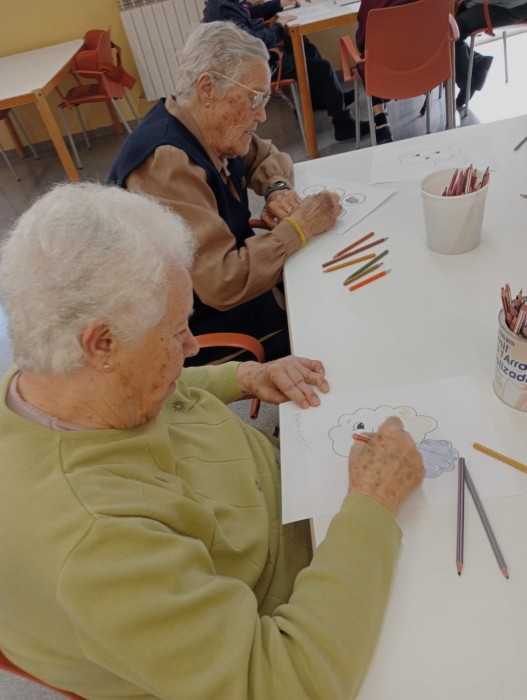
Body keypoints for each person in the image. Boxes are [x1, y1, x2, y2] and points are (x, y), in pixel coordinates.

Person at [0, 182, 425, 700]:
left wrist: (244, 376)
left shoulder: (54, 375)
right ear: (103, 344)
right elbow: (284, 683)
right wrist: (374, 501)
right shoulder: (96, 547)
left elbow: (155, 388)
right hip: (294, 600)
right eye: (175, 332)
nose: (192, 346)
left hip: (293, 496)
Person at [108, 21, 340, 366]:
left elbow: (266, 155)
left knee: (326, 286)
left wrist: (276, 189)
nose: (262, 114)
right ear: (207, 88)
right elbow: (223, 283)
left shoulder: (206, 125)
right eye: (255, 98)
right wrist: (300, 227)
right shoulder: (166, 162)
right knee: (332, 326)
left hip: (229, 293)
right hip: (193, 330)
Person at [202, 0, 370, 142]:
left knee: (305, 45)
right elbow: (255, 43)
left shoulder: (224, 4)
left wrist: (280, 3)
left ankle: (322, 99)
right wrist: (279, 26)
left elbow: (251, 12)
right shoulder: (223, 8)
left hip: (259, 58)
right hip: (261, 66)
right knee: (322, 68)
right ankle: (343, 124)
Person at [355, 0, 416, 144]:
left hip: (385, 70)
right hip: (425, 65)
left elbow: (362, 41)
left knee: (368, 57)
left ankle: (380, 116)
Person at [454, 0, 527, 109]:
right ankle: (476, 61)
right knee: (450, 24)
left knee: (452, 29)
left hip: (512, 7)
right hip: (517, 5)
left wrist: (466, 5)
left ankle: (467, 83)